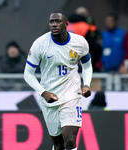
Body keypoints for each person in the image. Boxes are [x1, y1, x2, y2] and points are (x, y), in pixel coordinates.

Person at [24, 11, 93, 150]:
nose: (54, 24)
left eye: (58, 21)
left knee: (70, 140)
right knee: (59, 144)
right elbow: (28, 74)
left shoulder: (79, 42)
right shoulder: (40, 44)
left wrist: (86, 84)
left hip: (71, 94)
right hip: (50, 97)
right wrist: (44, 93)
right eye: (51, 22)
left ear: (66, 24)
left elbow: (87, 66)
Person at [67, 7, 102, 72]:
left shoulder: (64, 25)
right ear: (85, 16)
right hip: (78, 63)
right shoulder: (84, 27)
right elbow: (93, 47)